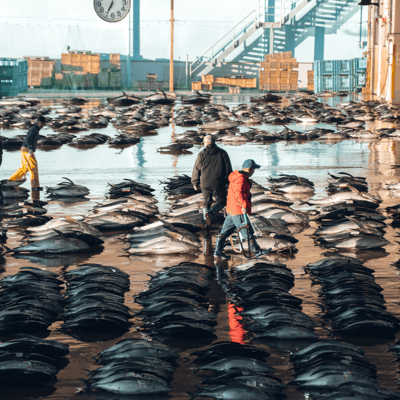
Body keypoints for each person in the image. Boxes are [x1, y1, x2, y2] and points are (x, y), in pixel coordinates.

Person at [214, 159, 271, 259]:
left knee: (224, 232)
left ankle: (217, 252)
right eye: (253, 169)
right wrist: (244, 205)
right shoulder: (241, 179)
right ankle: (257, 251)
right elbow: (238, 193)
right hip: (238, 210)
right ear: (249, 169)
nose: (254, 172)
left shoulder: (237, 177)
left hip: (231, 209)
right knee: (247, 232)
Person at [191, 134, 232, 226]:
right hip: (218, 183)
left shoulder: (201, 154)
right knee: (221, 201)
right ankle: (210, 213)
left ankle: (207, 224)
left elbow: (196, 169)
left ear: (205, 143)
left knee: (206, 202)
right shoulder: (222, 153)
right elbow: (228, 169)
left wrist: (195, 182)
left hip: (204, 183)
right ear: (214, 143)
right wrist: (229, 182)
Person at [9, 116, 45, 191]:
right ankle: (35, 186)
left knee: (24, 168)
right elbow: (28, 139)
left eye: (44, 124)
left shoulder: (36, 129)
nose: (43, 125)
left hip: (24, 149)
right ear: (38, 122)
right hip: (27, 150)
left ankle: (10, 181)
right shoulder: (34, 129)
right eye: (42, 123)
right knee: (33, 167)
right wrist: (30, 149)